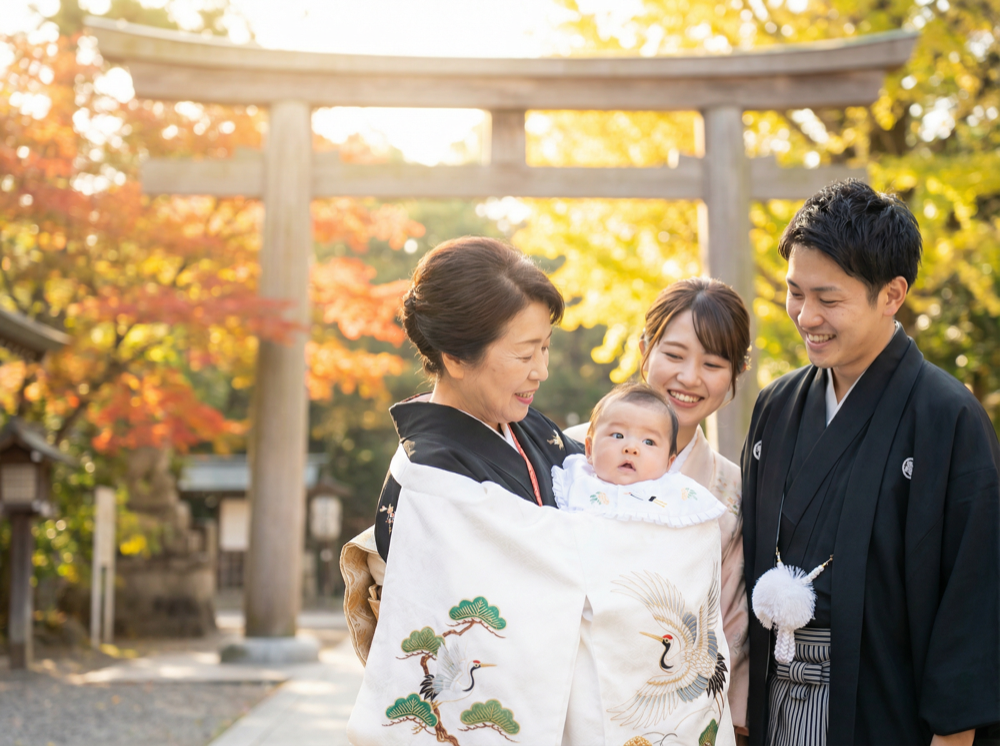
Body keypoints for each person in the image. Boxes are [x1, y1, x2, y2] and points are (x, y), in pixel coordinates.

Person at [345, 240, 738, 745]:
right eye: (525, 354)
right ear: (456, 358)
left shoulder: (532, 430)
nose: (542, 371)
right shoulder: (433, 477)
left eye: (545, 348)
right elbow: (567, 565)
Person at [741, 179, 1000, 746]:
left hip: (885, 709)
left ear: (892, 294)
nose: (806, 316)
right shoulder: (777, 406)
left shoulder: (946, 416)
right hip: (775, 699)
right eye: (794, 293)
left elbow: (973, 600)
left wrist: (954, 736)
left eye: (829, 299)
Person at [563, 277, 753, 739]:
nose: (689, 378)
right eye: (673, 355)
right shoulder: (567, 460)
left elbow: (729, 619)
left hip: (676, 708)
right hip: (574, 698)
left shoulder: (727, 487)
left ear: (735, 374)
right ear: (645, 349)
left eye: (712, 363)